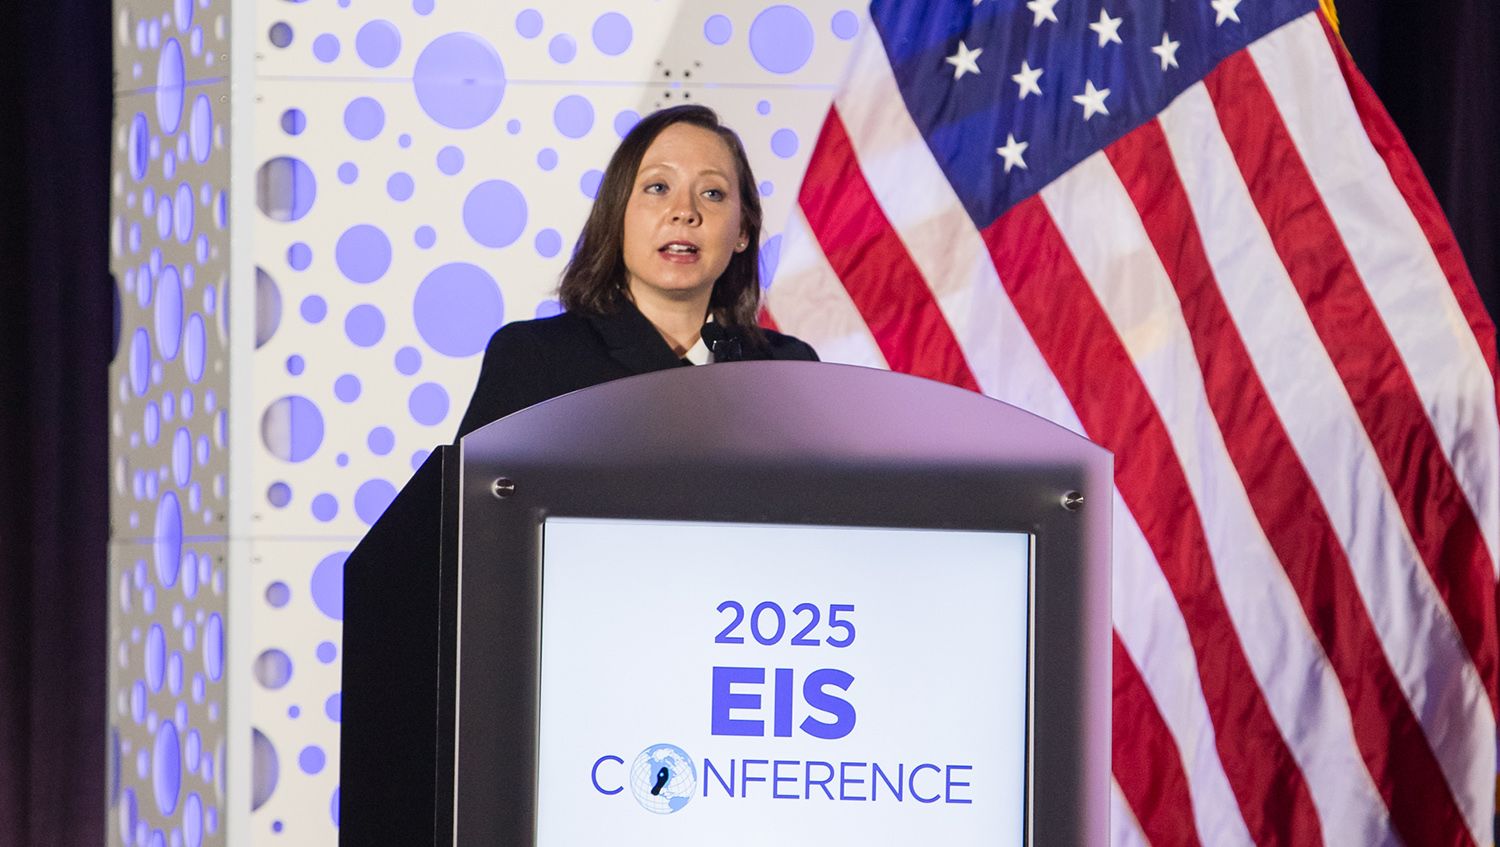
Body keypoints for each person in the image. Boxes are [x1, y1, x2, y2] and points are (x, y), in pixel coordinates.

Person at [454, 104, 818, 439]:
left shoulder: (788, 370)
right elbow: (466, 504)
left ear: (742, 231)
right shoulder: (535, 358)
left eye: (712, 193)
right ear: (617, 216)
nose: (684, 211)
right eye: (658, 187)